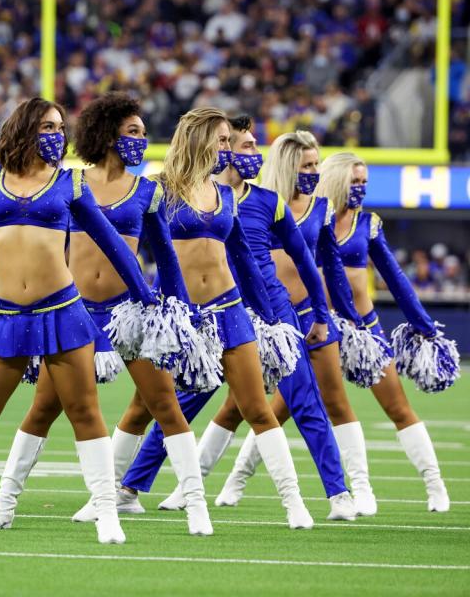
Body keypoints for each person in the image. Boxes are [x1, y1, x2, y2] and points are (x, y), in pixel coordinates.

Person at [0, 97, 165, 545]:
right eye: (46, 126)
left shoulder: (70, 185)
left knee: (84, 412)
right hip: (5, 317)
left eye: (60, 128)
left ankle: (107, 515)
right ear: (22, 129)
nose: (56, 135)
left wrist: (146, 298)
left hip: (62, 312)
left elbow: (114, 244)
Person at [0, 93, 214, 536]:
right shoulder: (68, 182)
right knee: (43, 409)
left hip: (129, 316)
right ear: (106, 134)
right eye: (133, 133)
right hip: (74, 314)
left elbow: (165, 259)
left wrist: (179, 315)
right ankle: (4, 501)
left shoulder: (148, 191)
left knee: (164, 404)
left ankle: (196, 504)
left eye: (143, 134)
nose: (141, 142)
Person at [87, 107, 316, 529]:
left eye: (231, 140)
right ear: (198, 139)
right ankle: (111, 493)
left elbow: (244, 258)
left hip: (229, 312)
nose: (227, 148)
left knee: (257, 408)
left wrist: (268, 318)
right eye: (222, 139)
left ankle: (294, 503)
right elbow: (128, 245)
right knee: (144, 407)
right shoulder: (158, 189)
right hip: (178, 317)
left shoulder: (226, 195)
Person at [130, 117, 357, 522]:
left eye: (254, 147)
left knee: (296, 399)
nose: (253, 153)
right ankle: (137, 485)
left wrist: (299, 317)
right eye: (245, 145)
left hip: (258, 305)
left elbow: (301, 262)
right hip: (197, 311)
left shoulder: (267, 200)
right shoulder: (169, 190)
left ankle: (334, 493)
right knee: (180, 401)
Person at [213, 131, 388, 515]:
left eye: (316, 164)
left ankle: (355, 491)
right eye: (306, 165)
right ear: (288, 165)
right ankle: (231, 481)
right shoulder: (258, 201)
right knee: (242, 407)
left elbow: (329, 267)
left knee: (327, 402)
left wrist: (344, 318)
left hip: (309, 315)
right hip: (263, 316)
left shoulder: (320, 207)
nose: (313, 172)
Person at [314, 152, 457, 512]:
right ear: (336, 180)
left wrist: (424, 325)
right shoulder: (315, 219)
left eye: (363, 181)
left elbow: (395, 277)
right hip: (324, 330)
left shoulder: (369, 224)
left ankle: (435, 484)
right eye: (354, 181)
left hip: (365, 333)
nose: (360, 188)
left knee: (398, 407)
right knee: (284, 407)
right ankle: (236, 482)